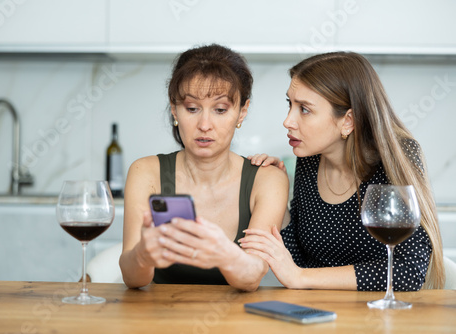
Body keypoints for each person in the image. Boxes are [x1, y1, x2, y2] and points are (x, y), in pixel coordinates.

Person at [240, 51, 445, 291]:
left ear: (348, 121)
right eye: (290, 104)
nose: (288, 121)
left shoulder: (397, 157)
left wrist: (301, 278)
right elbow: (298, 261)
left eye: (304, 109)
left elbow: (408, 272)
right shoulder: (310, 159)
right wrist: (277, 191)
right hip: (317, 314)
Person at [119, 44, 289, 291]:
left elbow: (251, 277)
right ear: (174, 109)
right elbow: (132, 278)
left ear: (242, 112)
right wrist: (143, 255)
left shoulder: (268, 179)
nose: (205, 124)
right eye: (192, 108)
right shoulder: (145, 172)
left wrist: (223, 253)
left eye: (220, 110)